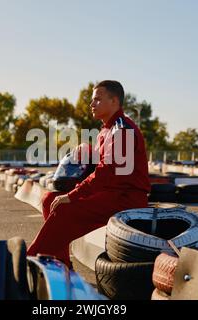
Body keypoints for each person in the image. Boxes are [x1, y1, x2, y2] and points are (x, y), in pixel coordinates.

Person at [27, 80, 151, 268]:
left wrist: (73, 195)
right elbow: (102, 165)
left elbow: (107, 173)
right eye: (92, 100)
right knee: (49, 199)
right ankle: (60, 263)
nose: (91, 104)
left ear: (114, 101)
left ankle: (29, 259)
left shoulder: (122, 129)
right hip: (110, 194)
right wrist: (87, 151)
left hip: (126, 199)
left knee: (62, 209)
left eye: (97, 100)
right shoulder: (106, 130)